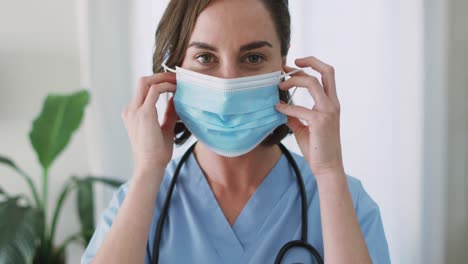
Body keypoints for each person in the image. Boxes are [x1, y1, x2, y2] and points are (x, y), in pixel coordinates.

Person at [82, 0, 390, 263]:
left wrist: (329, 171)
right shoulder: (139, 202)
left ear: (283, 70)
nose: (228, 83)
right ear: (174, 72)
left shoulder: (344, 199)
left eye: (253, 58)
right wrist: (149, 170)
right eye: (205, 58)